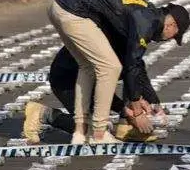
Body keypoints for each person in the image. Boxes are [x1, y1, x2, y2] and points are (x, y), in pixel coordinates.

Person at [47, 0, 190, 144]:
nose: (170, 39)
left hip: (59, 4)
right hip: (73, 11)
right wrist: (136, 111)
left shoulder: (145, 15)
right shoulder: (145, 23)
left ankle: (81, 132)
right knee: (110, 67)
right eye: (174, 35)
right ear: (172, 25)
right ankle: (99, 134)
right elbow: (132, 66)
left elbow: (136, 65)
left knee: (88, 66)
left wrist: (150, 100)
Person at [22, 46, 166, 144]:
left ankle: (126, 126)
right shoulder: (107, 55)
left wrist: (154, 104)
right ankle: (43, 114)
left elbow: (138, 73)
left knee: (132, 78)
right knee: (94, 135)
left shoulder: (128, 49)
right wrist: (128, 111)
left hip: (87, 80)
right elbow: (100, 93)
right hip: (68, 83)